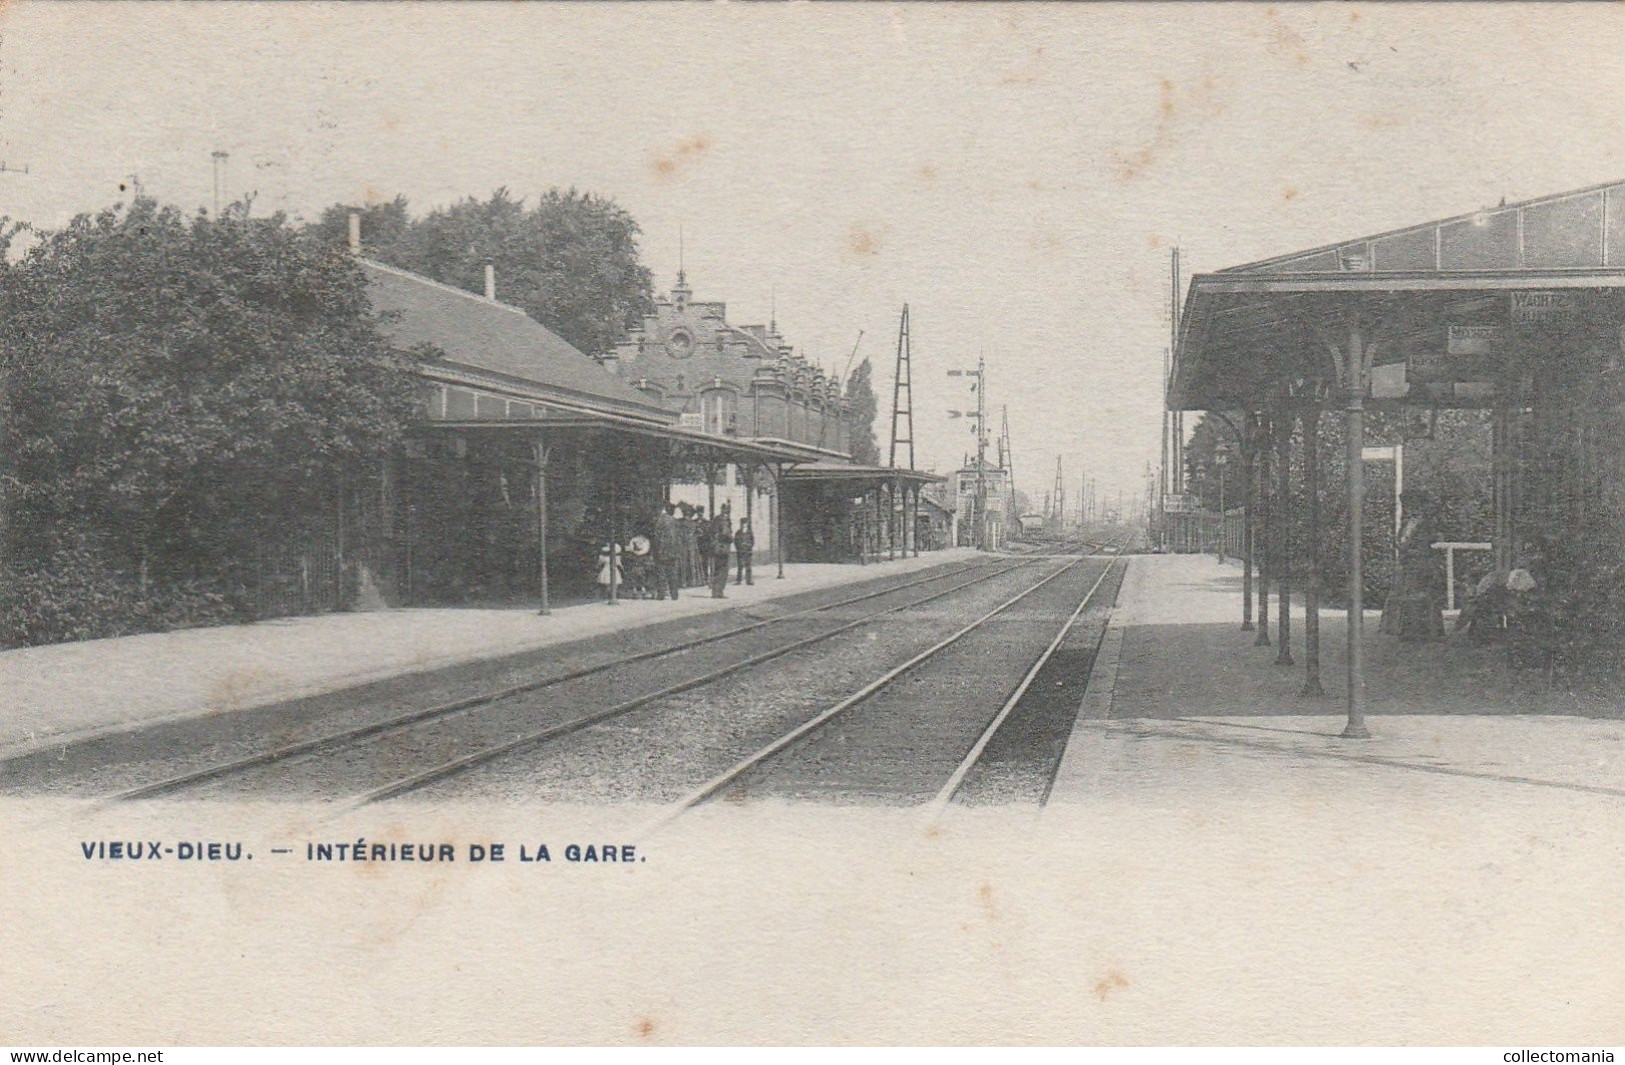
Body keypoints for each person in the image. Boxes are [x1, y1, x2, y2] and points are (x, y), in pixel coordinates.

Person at [1379, 491, 1445, 641]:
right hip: (1409, 563)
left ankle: (1425, 631)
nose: (1408, 508)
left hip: (1420, 562)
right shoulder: (1409, 523)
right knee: (1408, 596)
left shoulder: (1426, 523)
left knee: (1420, 596)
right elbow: (1401, 541)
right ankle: (1409, 630)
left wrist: (1409, 548)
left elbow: (1429, 541)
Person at [652, 502, 681, 601]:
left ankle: (661, 594)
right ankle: (674, 594)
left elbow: (656, 537)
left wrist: (655, 550)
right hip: (673, 551)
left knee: (661, 572)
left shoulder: (658, 520)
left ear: (658, 509)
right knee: (672, 572)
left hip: (662, 550)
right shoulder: (673, 520)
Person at [708, 504, 733, 598]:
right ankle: (719, 592)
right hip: (723, 548)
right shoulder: (723, 520)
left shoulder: (717, 519)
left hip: (718, 548)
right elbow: (725, 534)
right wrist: (730, 538)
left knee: (718, 570)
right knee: (723, 571)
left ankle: (716, 591)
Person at [734, 516, 755, 585]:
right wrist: (739, 547)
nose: (743, 525)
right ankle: (739, 580)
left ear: (747, 524)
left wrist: (748, 545)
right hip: (740, 551)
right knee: (740, 566)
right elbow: (736, 541)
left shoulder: (749, 532)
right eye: (742, 524)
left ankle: (749, 580)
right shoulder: (738, 532)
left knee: (748, 566)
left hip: (748, 551)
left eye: (745, 524)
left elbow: (752, 541)